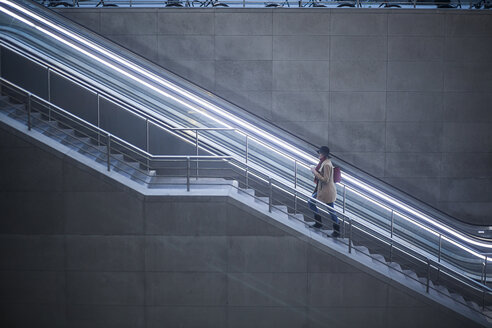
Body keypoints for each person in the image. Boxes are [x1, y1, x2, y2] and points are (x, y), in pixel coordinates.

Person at [309, 146, 340, 237]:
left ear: (323, 154)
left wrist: (314, 171)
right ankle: (319, 223)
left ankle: (336, 230)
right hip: (322, 190)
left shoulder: (326, 164)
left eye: (320, 153)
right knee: (311, 202)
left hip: (327, 191)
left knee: (331, 210)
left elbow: (325, 179)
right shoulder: (324, 162)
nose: (319, 155)